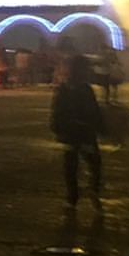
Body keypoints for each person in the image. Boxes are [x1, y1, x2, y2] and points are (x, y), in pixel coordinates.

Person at [50, 54, 104, 209]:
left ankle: (72, 197)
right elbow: (94, 112)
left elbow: (56, 110)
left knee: (70, 166)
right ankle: (93, 189)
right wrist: (100, 128)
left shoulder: (63, 88)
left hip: (69, 133)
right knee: (94, 163)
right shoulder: (86, 89)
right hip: (86, 132)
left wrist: (57, 128)